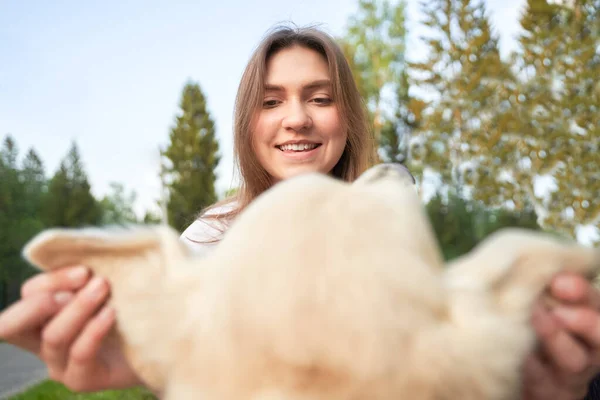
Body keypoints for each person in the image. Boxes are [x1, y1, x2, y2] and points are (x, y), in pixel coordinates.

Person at [0, 24, 599, 400]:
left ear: (347, 119)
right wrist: (135, 355)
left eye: (320, 98)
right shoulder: (208, 236)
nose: (298, 118)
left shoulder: (389, 203)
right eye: (271, 101)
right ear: (247, 124)